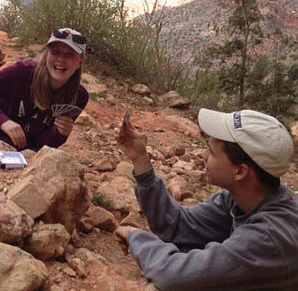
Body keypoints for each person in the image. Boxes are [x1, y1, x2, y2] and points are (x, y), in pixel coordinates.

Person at [114, 108, 298, 290]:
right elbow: (177, 226)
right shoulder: (244, 197)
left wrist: (135, 237)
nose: (203, 155)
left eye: (211, 152)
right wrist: (140, 160)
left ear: (241, 171)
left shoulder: (269, 238)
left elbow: (173, 276)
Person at [0, 28, 89, 151]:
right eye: (55, 52)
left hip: (25, 155)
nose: (61, 59)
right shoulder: (22, 72)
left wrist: (59, 134)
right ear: (46, 55)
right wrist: (2, 121)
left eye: (69, 55)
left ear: (80, 62)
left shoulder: (79, 96)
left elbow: (42, 144)